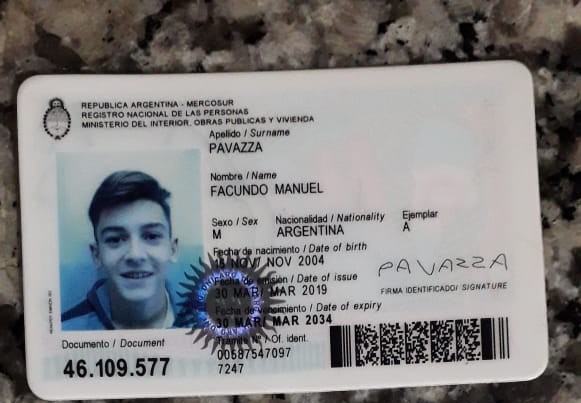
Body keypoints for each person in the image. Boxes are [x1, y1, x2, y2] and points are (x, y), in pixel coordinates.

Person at [61, 170, 181, 330]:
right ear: (97, 255)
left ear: (173, 249)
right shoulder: (65, 329)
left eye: (151, 236)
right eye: (115, 239)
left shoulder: (206, 322)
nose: (135, 255)